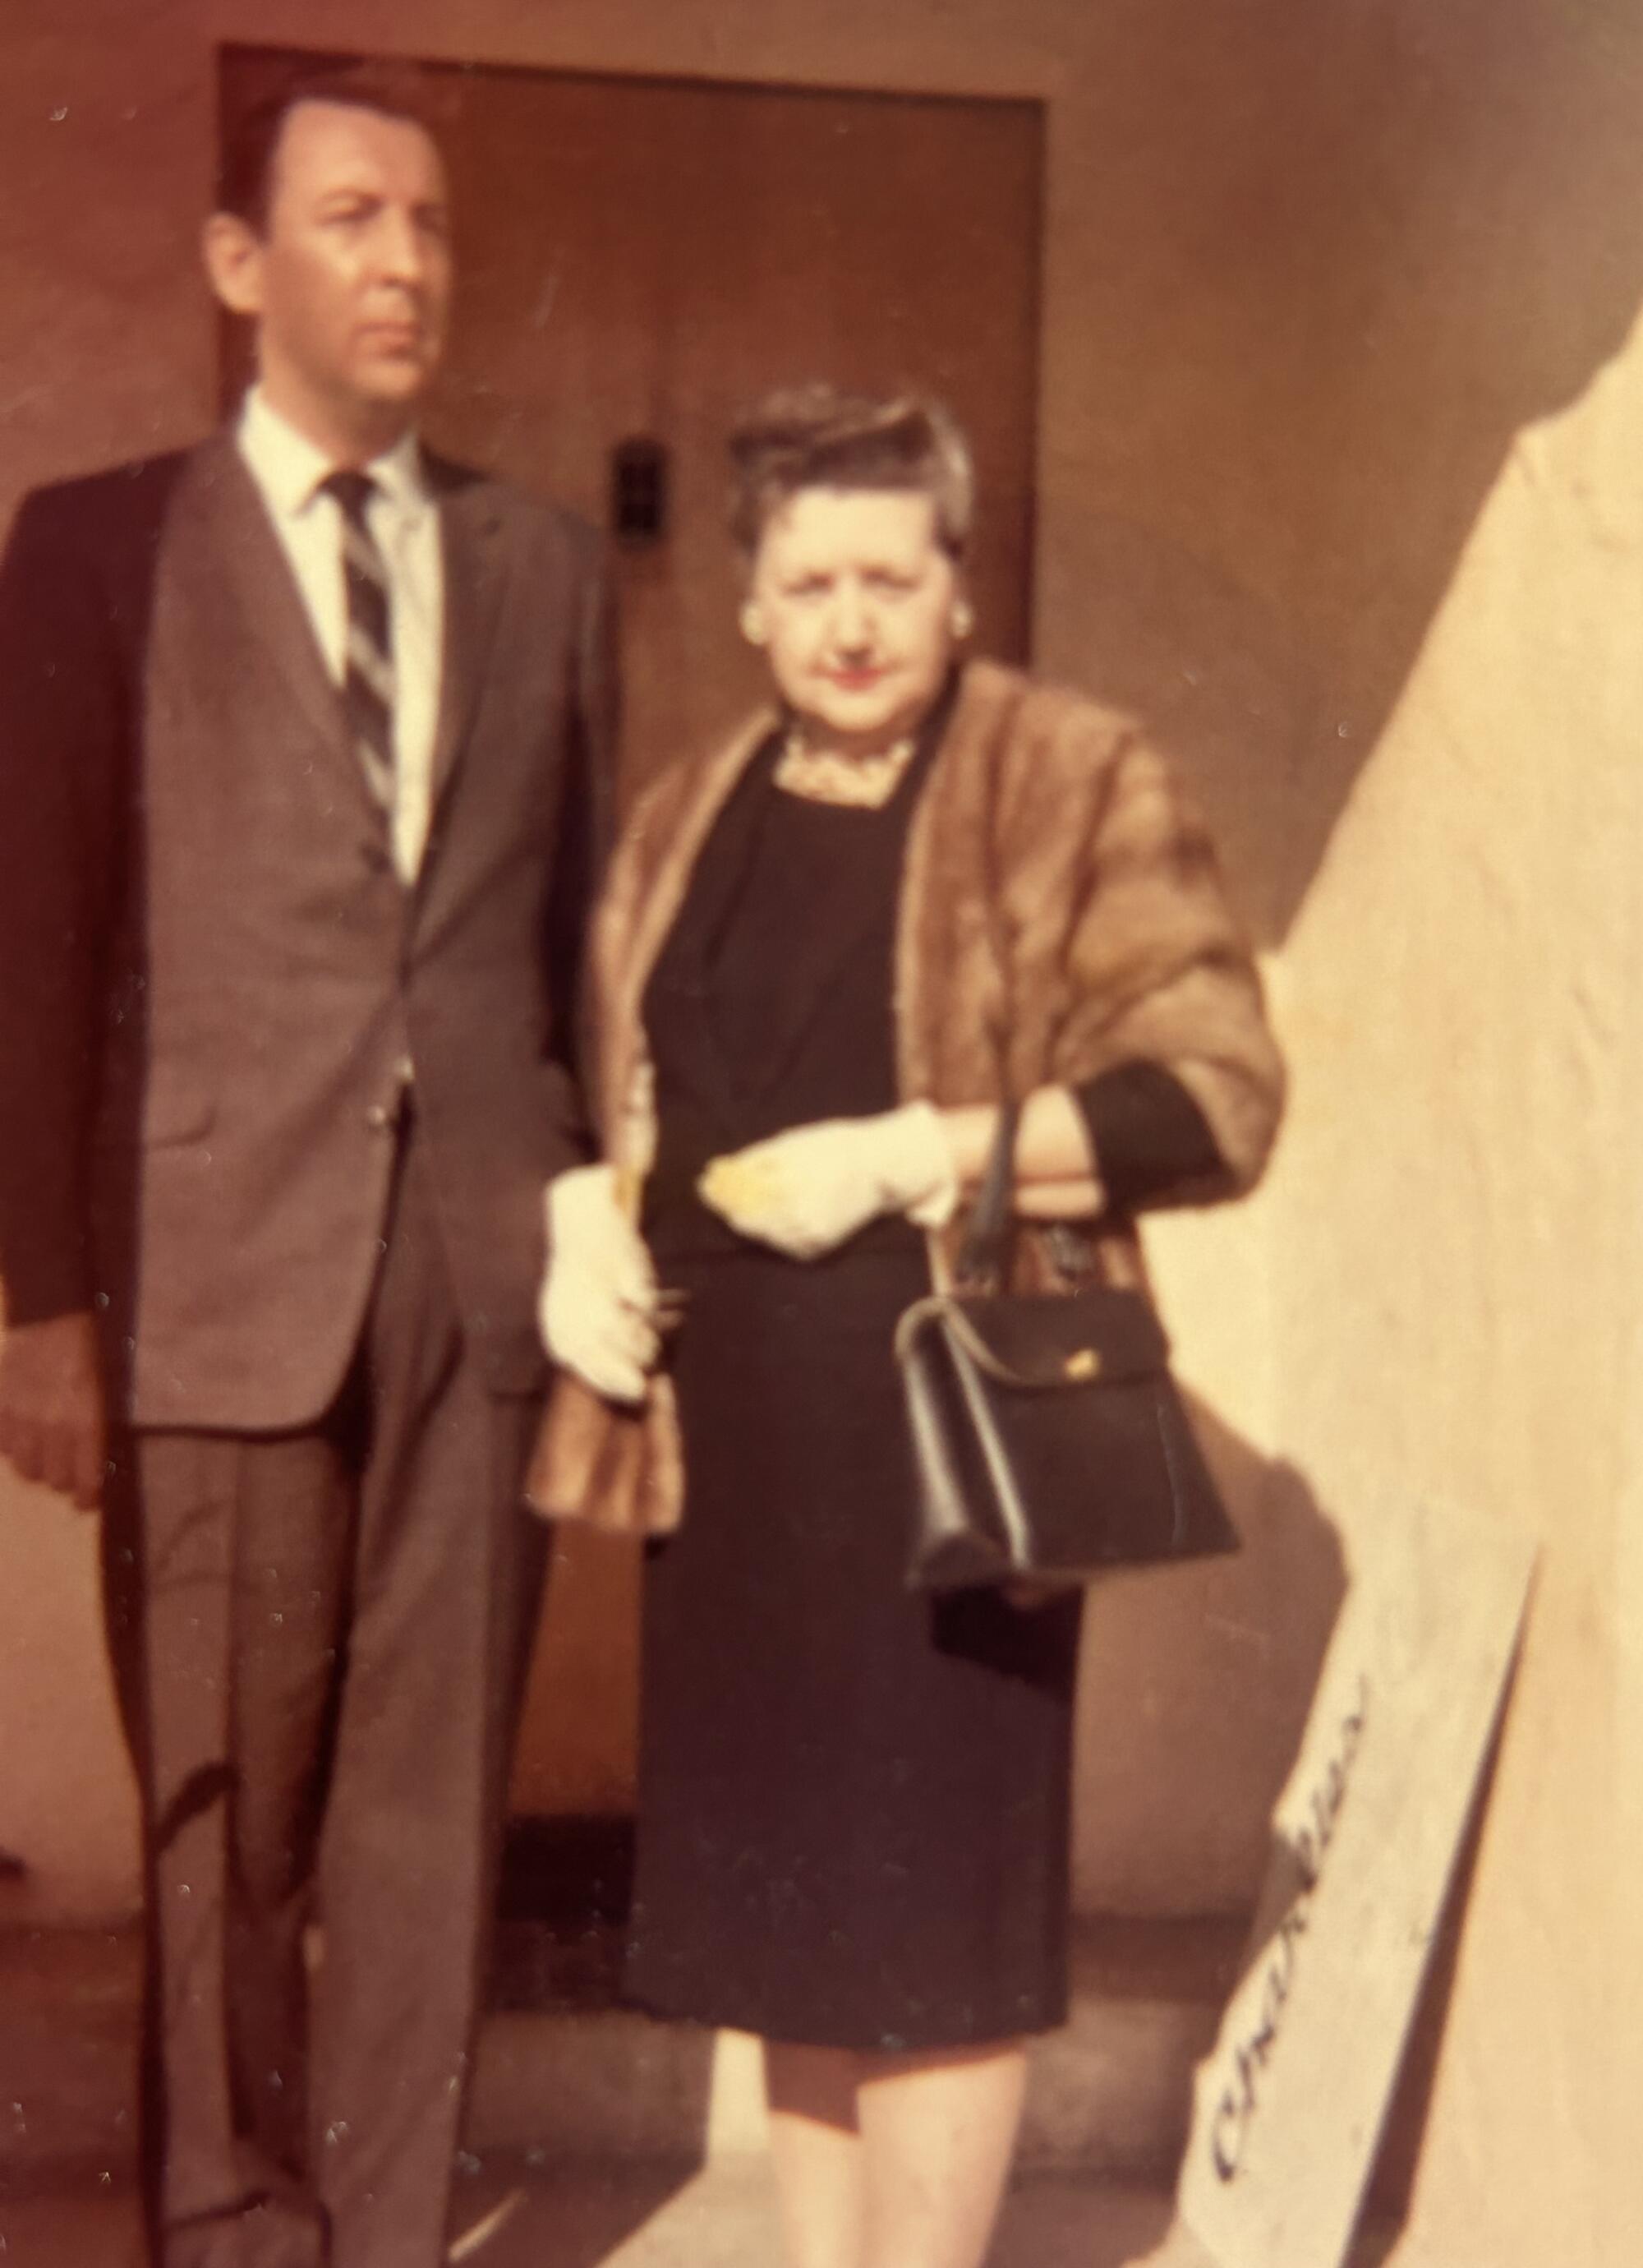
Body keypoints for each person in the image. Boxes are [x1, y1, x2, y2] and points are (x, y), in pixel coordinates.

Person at [535, 385, 1285, 2268]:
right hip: (735, 1457)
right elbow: (619, 1099)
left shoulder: (1073, 778)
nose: (850, 620)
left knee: (939, 1923)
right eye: (808, 581)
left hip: (954, 1449)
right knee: (787, 1910)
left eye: (891, 574)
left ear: (958, 588)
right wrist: (591, 1216)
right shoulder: (686, 815)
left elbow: (1214, 1102)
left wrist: (922, 1153)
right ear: (750, 605)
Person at [0, 66, 613, 2268]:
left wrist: (605, 1267)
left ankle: (384, 2226)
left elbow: (580, 957)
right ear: (239, 266)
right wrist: (44, 1308)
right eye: (354, 216)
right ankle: (232, 2228)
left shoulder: (542, 569)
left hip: (481, 1289)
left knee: (430, 1823)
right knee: (220, 1821)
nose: (408, 263)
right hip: (204, 1281)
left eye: (435, 224)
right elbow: (36, 943)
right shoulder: (96, 545)